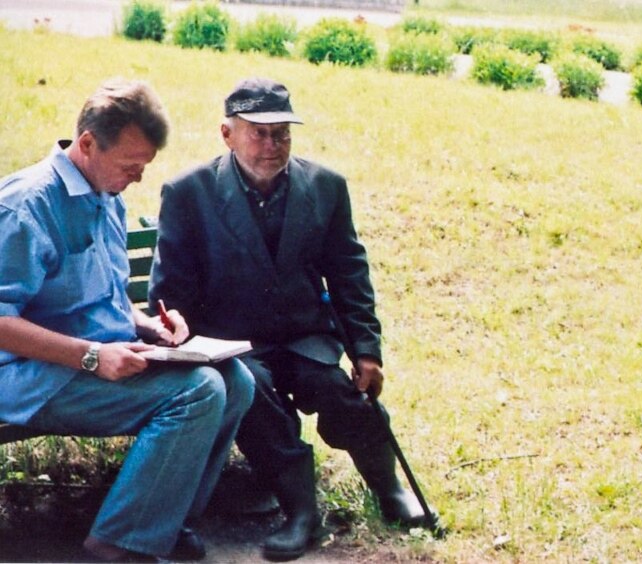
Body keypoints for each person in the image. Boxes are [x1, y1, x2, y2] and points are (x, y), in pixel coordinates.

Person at [149, 77, 434, 561]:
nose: (272, 145)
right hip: (233, 345)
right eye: (258, 133)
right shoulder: (188, 193)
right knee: (254, 396)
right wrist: (182, 337)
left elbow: (349, 274)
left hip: (304, 338)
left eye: (281, 133)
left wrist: (366, 351)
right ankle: (301, 511)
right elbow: (170, 291)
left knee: (341, 393)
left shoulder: (325, 187)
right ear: (227, 134)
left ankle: (390, 490)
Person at [0, 78, 255, 562]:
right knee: (198, 392)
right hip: (27, 376)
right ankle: (121, 543)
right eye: (129, 166)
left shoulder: (105, 193)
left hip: (91, 362)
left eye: (144, 167)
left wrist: (147, 325)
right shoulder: (26, 205)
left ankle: (165, 523)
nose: (137, 179)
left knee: (236, 381)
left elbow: (101, 297)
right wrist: (92, 356)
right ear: (88, 144)